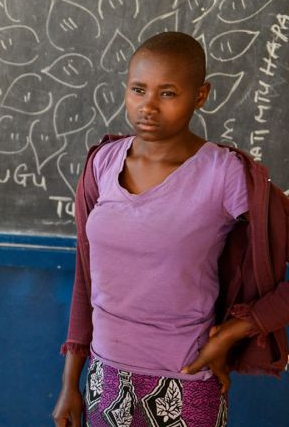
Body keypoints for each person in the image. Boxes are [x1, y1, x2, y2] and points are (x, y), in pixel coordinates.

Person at [52, 31, 289, 426]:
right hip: (105, 378)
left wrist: (239, 329)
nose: (148, 106)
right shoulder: (102, 165)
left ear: (200, 96)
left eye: (168, 93)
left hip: (185, 379)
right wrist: (70, 384)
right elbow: (85, 279)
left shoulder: (224, 174)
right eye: (138, 89)